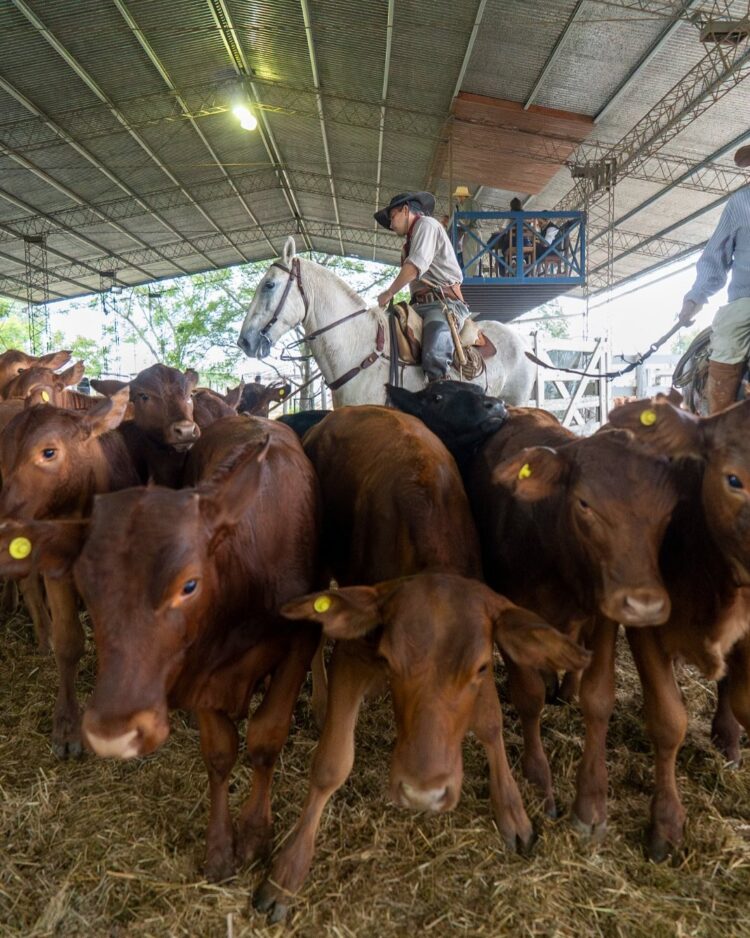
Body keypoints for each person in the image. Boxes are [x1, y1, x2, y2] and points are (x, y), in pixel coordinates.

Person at [678, 145, 750, 413]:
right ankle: (718, 427)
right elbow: (715, 256)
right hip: (747, 300)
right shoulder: (741, 203)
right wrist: (695, 298)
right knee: (729, 343)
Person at [375, 191, 471, 382]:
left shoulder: (426, 225)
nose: (391, 225)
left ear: (405, 210)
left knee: (434, 351)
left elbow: (414, 268)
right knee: (383, 330)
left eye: (393, 217)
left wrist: (389, 292)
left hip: (444, 303)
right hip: (418, 306)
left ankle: (440, 390)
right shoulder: (407, 245)